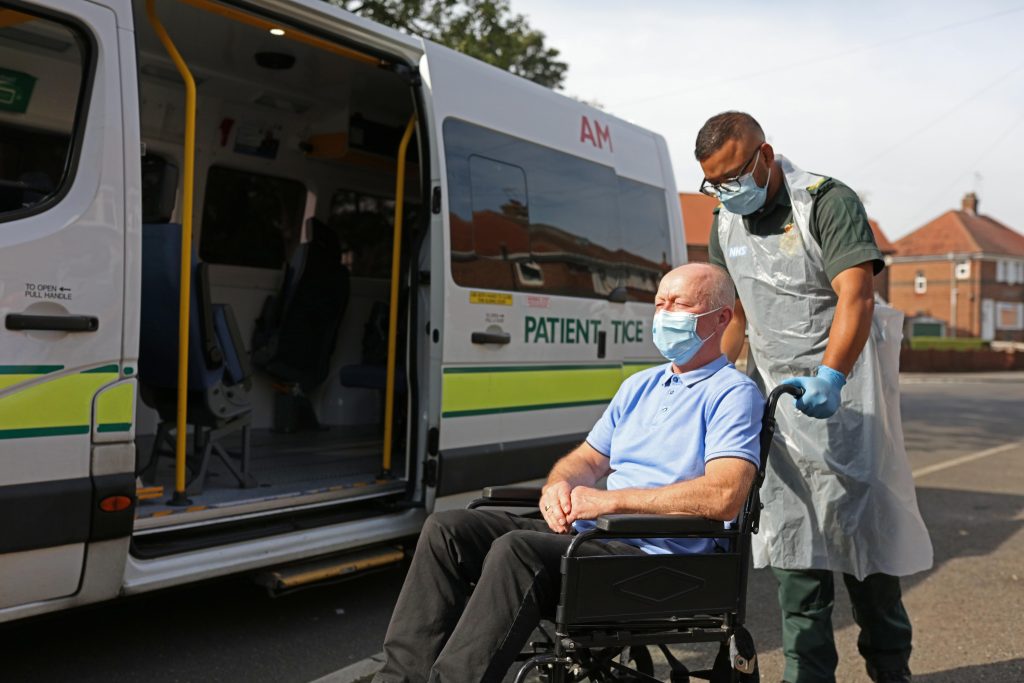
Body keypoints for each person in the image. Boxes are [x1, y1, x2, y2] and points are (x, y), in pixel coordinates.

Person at [374, 263, 765, 683]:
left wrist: (610, 500)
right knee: (447, 530)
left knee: (516, 550)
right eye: (659, 304)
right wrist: (558, 486)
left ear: (721, 318)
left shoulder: (733, 393)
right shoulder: (640, 385)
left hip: (656, 558)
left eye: (679, 305)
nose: (665, 315)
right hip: (596, 538)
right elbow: (587, 460)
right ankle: (397, 679)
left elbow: (725, 495)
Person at [694, 111, 933, 683]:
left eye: (735, 177)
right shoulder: (725, 222)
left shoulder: (824, 202)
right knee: (794, 558)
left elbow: (857, 297)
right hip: (779, 410)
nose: (728, 192)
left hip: (848, 403)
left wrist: (832, 376)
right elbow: (735, 315)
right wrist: (714, 381)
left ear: (766, 156)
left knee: (868, 557)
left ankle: (891, 671)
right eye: (715, 183)